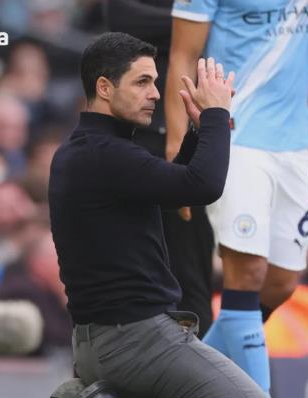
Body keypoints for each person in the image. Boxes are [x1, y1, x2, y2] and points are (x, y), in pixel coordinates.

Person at [41, 32, 284, 398]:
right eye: (142, 82)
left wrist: (197, 131)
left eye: (155, 81)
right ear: (104, 87)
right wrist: (217, 116)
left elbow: (175, 192)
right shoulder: (108, 154)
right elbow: (202, 186)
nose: (155, 93)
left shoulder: (85, 150)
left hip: (99, 344)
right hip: (137, 340)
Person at [165, 1, 308, 398]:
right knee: (247, 273)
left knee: (281, 281)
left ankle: (180, 383)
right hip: (233, 134)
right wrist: (176, 148)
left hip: (292, 142)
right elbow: (182, 56)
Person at [104, 0, 216, 337]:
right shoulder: (212, 16)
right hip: (144, 138)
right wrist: (200, 24)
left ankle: (200, 355)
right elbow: (121, 19)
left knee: (193, 267)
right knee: (138, 262)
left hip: (199, 134)